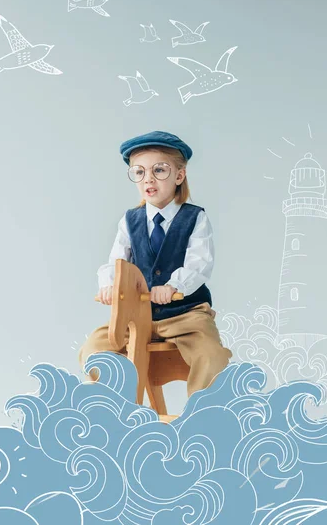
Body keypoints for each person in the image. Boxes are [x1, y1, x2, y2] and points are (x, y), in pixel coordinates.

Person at [78, 130, 232, 397]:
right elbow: (117, 262)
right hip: (137, 317)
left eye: (159, 170)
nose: (148, 178)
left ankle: (202, 414)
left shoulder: (195, 218)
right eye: (139, 172)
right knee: (94, 348)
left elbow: (200, 262)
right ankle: (109, 407)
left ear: (179, 175)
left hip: (185, 315)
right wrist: (109, 285)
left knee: (211, 355)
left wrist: (173, 286)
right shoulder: (130, 221)